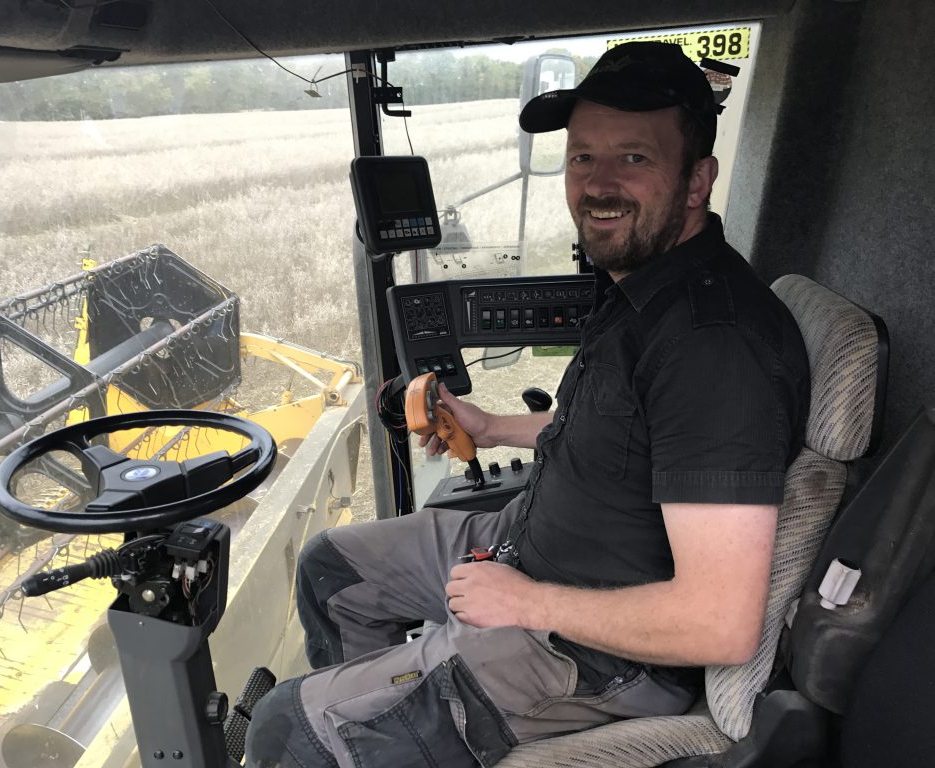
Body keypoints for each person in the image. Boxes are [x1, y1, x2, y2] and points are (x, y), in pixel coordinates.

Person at [245, 41, 810, 768]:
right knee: (334, 570)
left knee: (283, 731)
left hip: (589, 650)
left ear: (698, 180)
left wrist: (526, 603)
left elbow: (718, 622)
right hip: (523, 545)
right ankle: (385, 729)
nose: (598, 185)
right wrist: (489, 425)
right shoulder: (645, 282)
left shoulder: (715, 347)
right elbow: (626, 430)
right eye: (582, 158)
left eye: (633, 158)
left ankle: (364, 729)